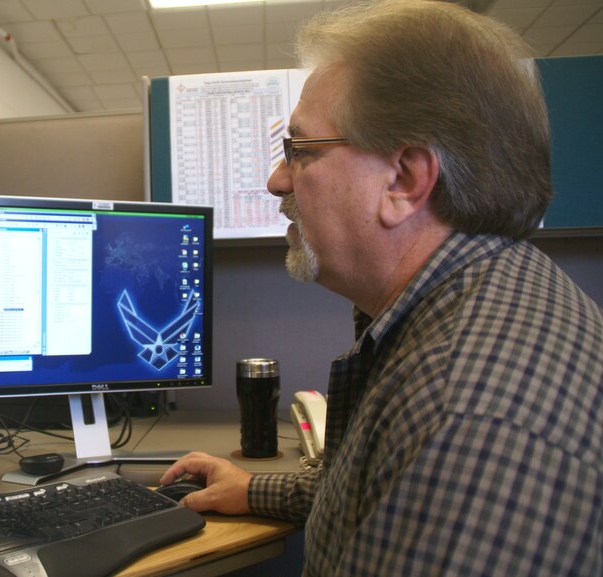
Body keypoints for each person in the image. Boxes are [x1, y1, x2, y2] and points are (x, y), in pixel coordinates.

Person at [160, 1, 603, 575]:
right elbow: (378, 491)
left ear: (404, 180)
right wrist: (254, 491)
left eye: (300, 150)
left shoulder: (462, 418)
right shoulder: (492, 298)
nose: (276, 180)